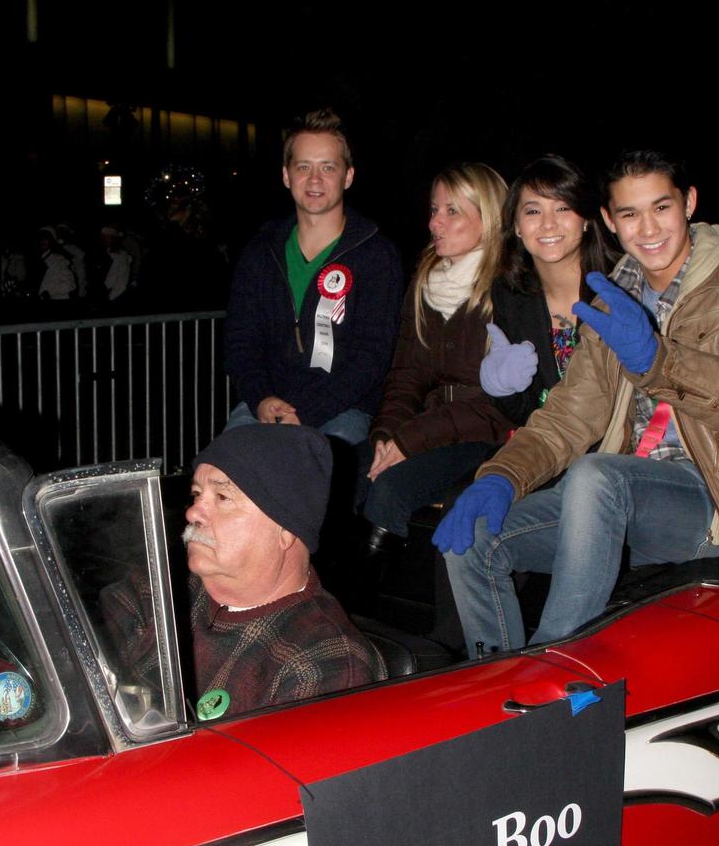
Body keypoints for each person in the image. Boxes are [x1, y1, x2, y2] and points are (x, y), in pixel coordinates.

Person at [437, 150, 719, 658]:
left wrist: (658, 360)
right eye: (630, 214)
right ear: (609, 221)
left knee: (596, 474)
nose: (648, 228)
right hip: (622, 499)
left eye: (661, 208)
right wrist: (502, 476)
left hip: (718, 502)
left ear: (689, 203)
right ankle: (491, 676)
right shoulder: (613, 297)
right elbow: (571, 414)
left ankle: (553, 663)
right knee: (477, 536)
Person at [222, 108, 402, 445]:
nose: (315, 180)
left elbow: (373, 356)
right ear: (286, 176)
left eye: (328, 168)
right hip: (265, 406)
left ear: (348, 176)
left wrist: (306, 410)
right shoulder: (260, 252)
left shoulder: (376, 255)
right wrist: (261, 398)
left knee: (315, 479)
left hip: (342, 411)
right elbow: (240, 341)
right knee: (219, 475)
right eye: (303, 167)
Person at [184, 423, 386, 717]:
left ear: (286, 530)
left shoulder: (327, 663)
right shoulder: (158, 591)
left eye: (223, 497)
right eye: (196, 494)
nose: (192, 512)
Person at [362, 162, 512, 551]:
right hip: (428, 427)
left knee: (389, 489)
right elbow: (405, 375)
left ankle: (374, 593)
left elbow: (496, 403)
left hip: (487, 434)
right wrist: (386, 434)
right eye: (434, 210)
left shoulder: (508, 291)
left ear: (489, 218)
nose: (434, 223)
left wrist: (408, 441)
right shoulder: (426, 283)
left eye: (452, 211)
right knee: (351, 469)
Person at [481, 155, 618, 426]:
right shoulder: (509, 294)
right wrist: (500, 389)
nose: (548, 223)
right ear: (517, 226)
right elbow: (526, 415)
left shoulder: (621, 285)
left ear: (586, 219)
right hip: (549, 448)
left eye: (563, 208)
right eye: (533, 211)